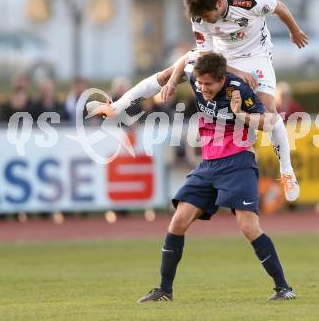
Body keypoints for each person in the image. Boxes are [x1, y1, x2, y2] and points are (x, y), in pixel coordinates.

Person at [91, 53, 296, 302]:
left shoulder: (240, 89)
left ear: (222, 79)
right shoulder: (195, 75)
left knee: (248, 227)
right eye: (199, 83)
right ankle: (164, 290)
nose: (202, 88)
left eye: (208, 84)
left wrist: (241, 114)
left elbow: (270, 122)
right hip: (208, 165)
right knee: (178, 221)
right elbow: (168, 70)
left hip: (238, 162)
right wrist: (118, 106)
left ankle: (283, 288)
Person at [164, 0, 308, 200]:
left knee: (268, 111)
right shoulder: (198, 16)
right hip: (224, 59)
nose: (203, 20)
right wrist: (236, 73)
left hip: (256, 56)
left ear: (220, 3)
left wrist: (295, 31)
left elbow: (279, 7)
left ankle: (286, 170)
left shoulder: (249, 0)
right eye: (199, 17)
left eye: (206, 15)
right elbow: (206, 57)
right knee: (219, 101)